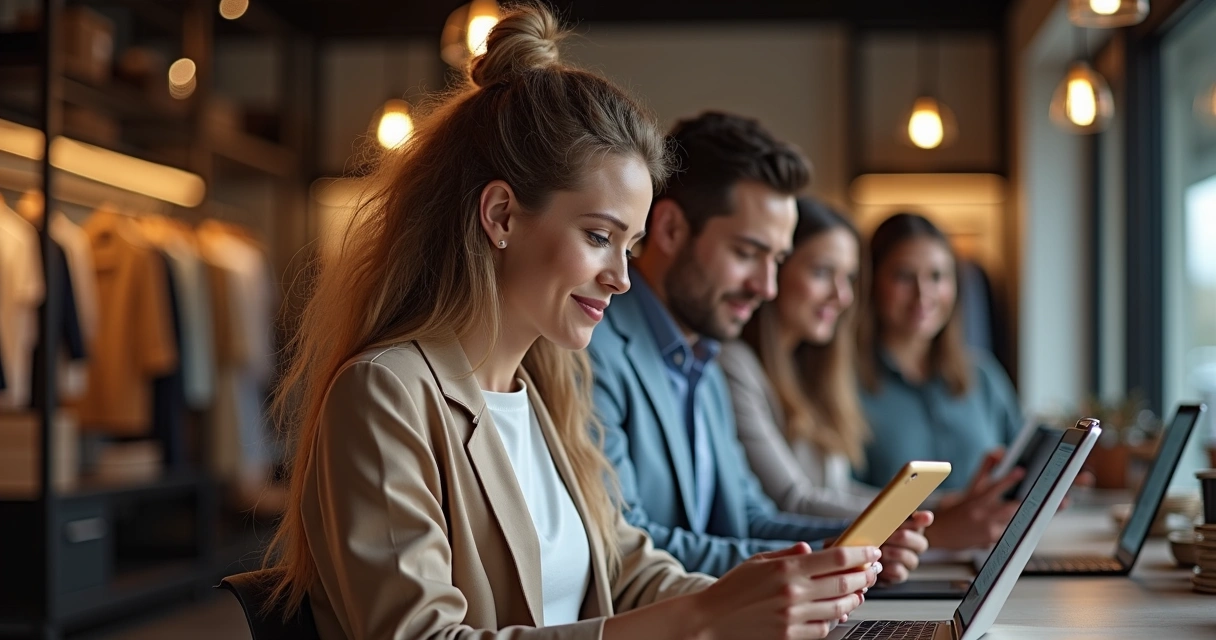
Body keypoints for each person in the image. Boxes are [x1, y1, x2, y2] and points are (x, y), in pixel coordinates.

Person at [262, 7, 880, 639]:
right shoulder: (387, 392)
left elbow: (623, 567)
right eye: (598, 237)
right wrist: (706, 615)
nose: (622, 277)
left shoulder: (545, 389)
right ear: (501, 216)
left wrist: (761, 596)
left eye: (630, 246)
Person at [587, 111, 931, 582]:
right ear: (669, 230)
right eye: (747, 253)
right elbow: (628, 546)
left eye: (777, 260)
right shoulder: (594, 351)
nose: (767, 287)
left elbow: (748, 519)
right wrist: (827, 558)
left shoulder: (705, 363)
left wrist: (862, 541)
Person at [722, 199, 1024, 549]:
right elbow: (794, 501)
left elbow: (835, 490)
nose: (842, 296)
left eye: (849, 278)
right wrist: (933, 526)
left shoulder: (813, 371)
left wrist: (944, 508)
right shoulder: (739, 366)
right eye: (821, 272)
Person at [855, 212, 1022, 495]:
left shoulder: (983, 376)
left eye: (937, 276)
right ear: (871, 282)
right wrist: (950, 512)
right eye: (904, 276)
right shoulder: (845, 385)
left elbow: (1019, 469)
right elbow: (836, 494)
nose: (923, 294)